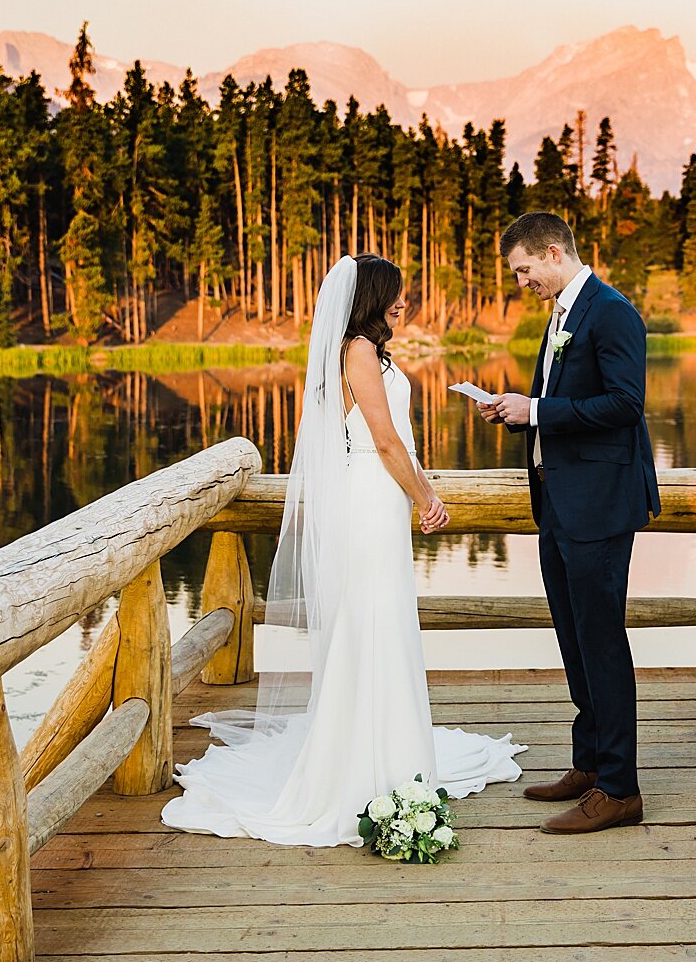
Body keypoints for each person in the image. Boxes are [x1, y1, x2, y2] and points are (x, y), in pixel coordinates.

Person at [162, 254, 525, 846]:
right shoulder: (358, 349)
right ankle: (365, 763)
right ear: (371, 297)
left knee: (381, 618)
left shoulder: (369, 352)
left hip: (377, 497)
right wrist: (424, 494)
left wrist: (412, 485)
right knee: (371, 617)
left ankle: (392, 749)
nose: (403, 304)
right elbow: (382, 440)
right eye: (394, 295)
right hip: (369, 497)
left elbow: (391, 435)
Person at [479, 212, 660, 834]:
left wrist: (537, 410)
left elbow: (624, 404)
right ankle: (590, 762)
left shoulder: (611, 312)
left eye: (524, 269)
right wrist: (520, 413)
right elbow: (563, 405)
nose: (522, 281)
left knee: (602, 640)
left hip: (599, 506)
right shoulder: (562, 312)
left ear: (553, 253)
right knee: (574, 638)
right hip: (559, 503)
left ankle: (620, 789)